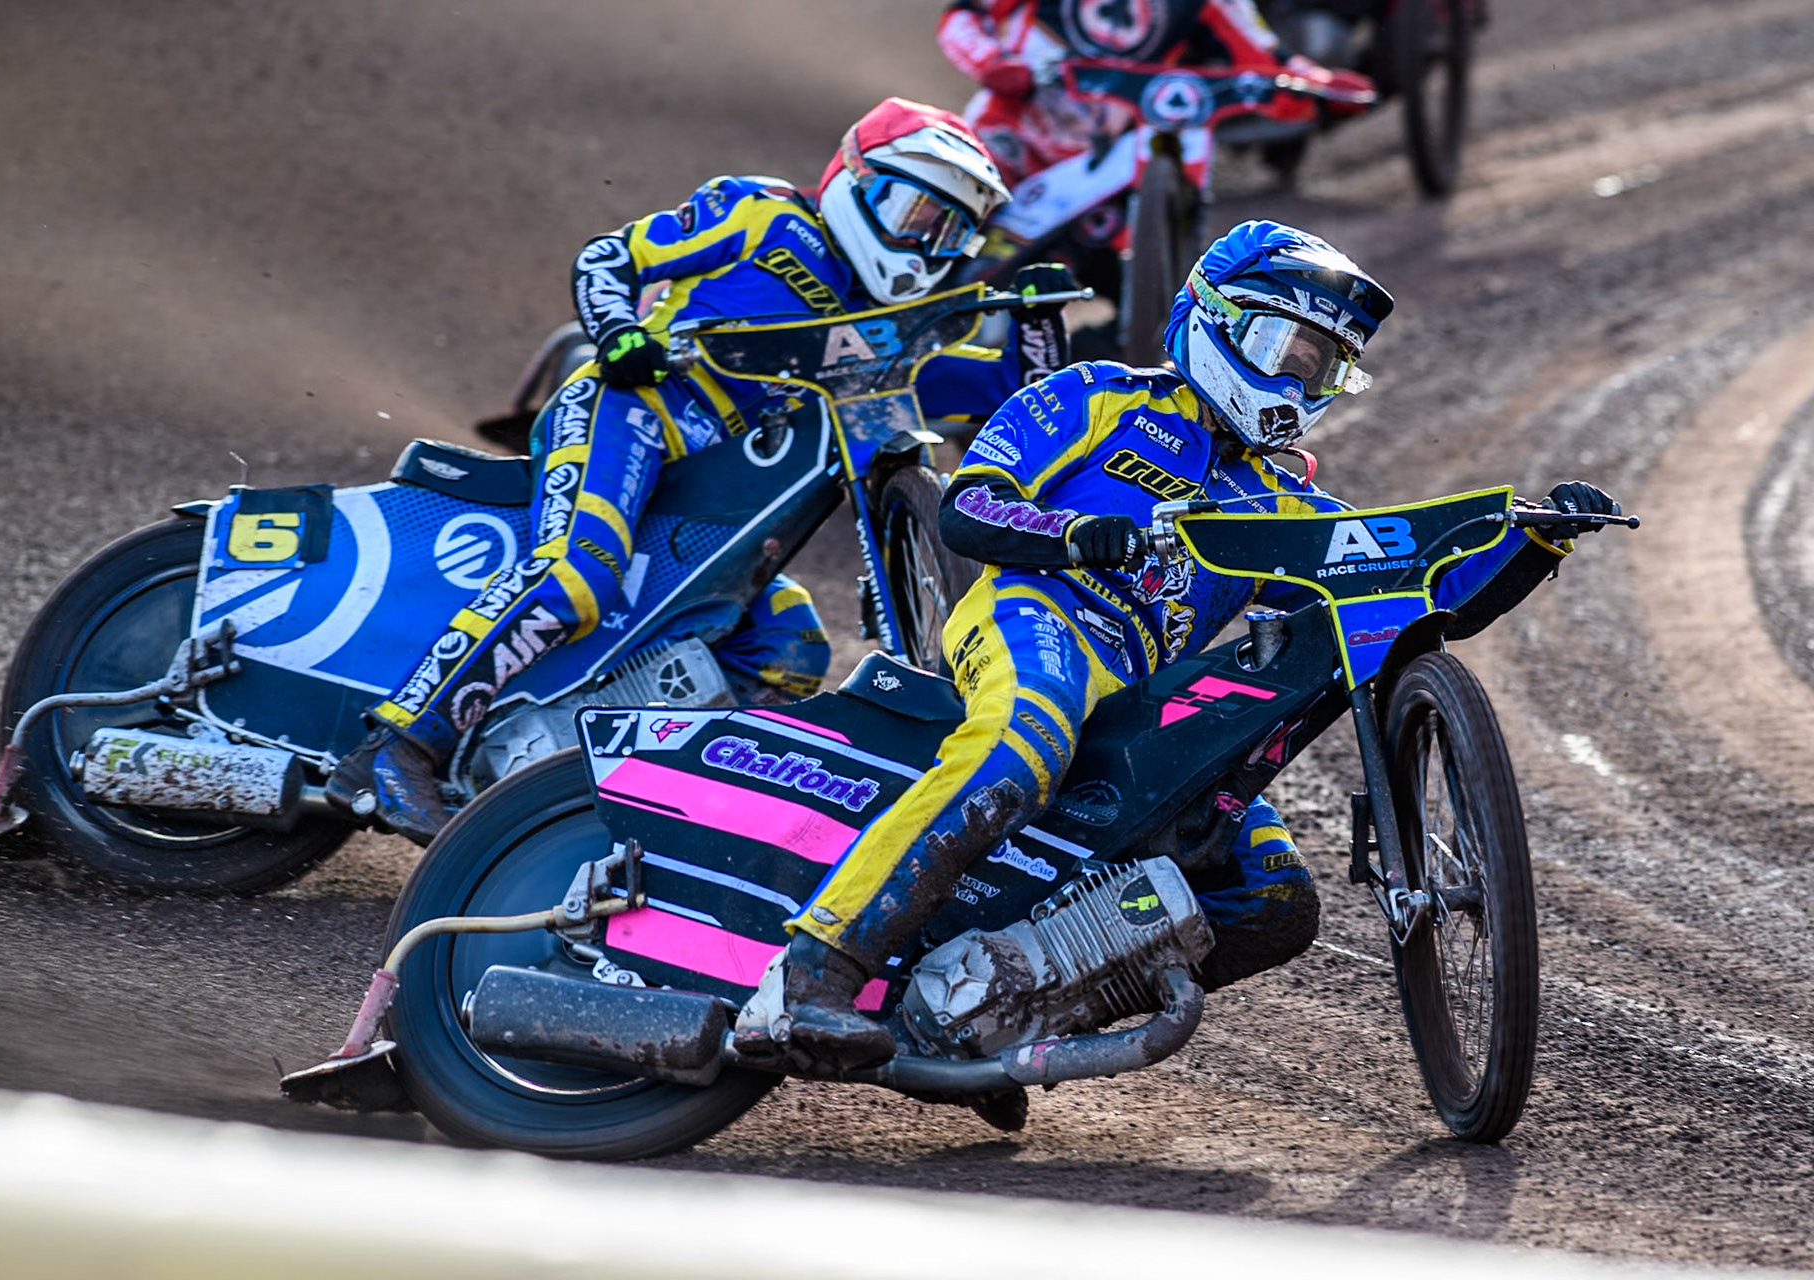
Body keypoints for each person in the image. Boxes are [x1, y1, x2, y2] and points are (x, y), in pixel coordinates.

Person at [761, 220, 1620, 1068]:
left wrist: (1534, 544)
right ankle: (816, 971)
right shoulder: (1098, 393)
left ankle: (1003, 1013)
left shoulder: (1280, 501)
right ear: (1214, 318)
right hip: (1038, 618)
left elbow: (1419, 604)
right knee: (1023, 744)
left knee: (1275, 901)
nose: (1300, 378)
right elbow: (969, 506)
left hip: (1149, 694)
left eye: (1323, 364)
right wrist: (1072, 533)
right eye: (1288, 347)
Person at [326, 98, 1073, 846]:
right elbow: (609, 258)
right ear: (852, 177)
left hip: (718, 494)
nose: (925, 244)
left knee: (789, 649)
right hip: (634, 413)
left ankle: (600, 803)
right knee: (575, 577)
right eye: (913, 212)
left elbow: (1010, 395)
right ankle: (395, 750)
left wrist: (1041, 322)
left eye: (949, 231)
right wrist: (618, 332)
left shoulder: (904, 326)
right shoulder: (763, 217)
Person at [937, 0, 1375, 187]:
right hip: (1010, 136)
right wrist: (992, 64)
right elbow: (962, 18)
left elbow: (1268, 55)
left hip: (1115, 164)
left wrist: (1321, 85)